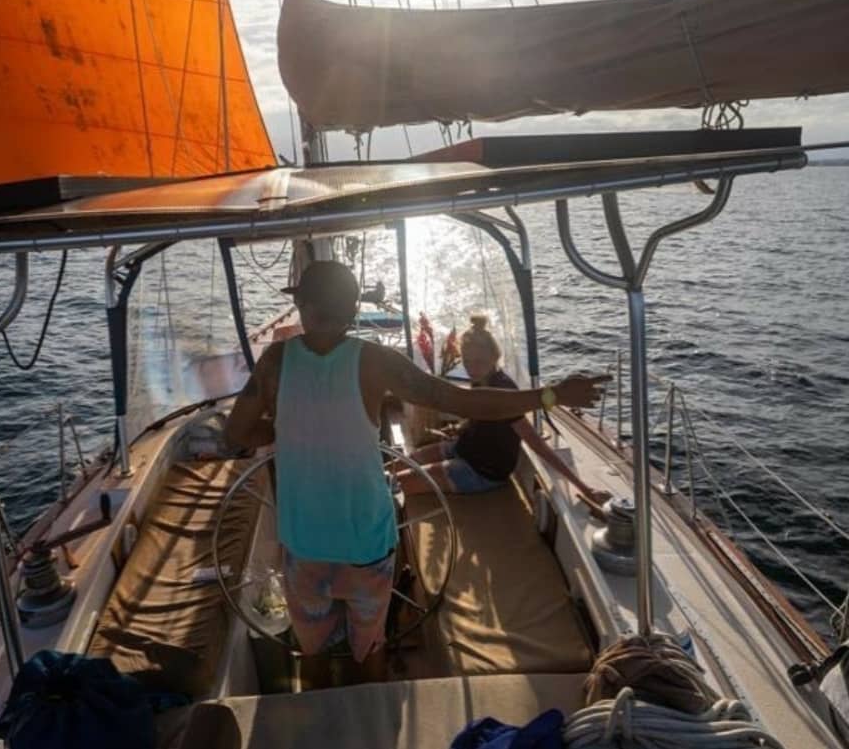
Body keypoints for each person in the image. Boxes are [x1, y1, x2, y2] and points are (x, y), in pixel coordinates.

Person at [224, 261, 607, 686]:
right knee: (369, 645)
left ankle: (320, 714)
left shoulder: (274, 362)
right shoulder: (375, 362)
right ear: (353, 311)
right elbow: (464, 402)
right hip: (366, 544)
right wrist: (551, 395)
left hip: (304, 545)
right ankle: (373, 712)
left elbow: (236, 432)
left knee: (311, 650)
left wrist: (290, 432)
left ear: (302, 306)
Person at [395, 315, 611, 505]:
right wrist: (461, 428)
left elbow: (534, 441)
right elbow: (482, 418)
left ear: (494, 357)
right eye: (468, 361)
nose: (472, 368)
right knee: (401, 462)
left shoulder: (504, 392)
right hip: (464, 449)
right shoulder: (481, 380)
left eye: (479, 361)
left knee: (396, 483)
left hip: (481, 471)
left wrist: (584, 488)